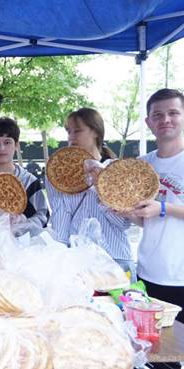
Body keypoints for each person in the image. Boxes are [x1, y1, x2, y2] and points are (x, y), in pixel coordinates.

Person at [45, 108, 134, 278]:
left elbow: (123, 223)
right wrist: (59, 258)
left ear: (96, 132)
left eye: (77, 130)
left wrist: (100, 186)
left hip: (114, 260)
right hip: (77, 262)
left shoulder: (115, 169)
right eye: (68, 131)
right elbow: (60, 217)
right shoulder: (58, 175)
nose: (71, 136)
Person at [126, 88, 184, 324]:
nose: (165, 120)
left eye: (173, 112)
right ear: (148, 122)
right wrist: (127, 211)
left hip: (180, 275)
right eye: (157, 115)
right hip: (149, 271)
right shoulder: (142, 164)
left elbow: (158, 210)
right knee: (156, 348)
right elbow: (143, 220)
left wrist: (163, 208)